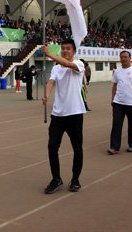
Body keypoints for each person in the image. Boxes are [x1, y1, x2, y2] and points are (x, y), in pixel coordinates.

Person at [41, 40, 85, 194]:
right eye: (63, 48)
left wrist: (49, 54)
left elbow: (67, 64)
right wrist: (46, 95)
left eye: (68, 48)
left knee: (77, 148)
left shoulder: (79, 64)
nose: (65, 51)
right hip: (58, 115)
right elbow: (50, 82)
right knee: (52, 147)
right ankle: (56, 179)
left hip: (75, 113)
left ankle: (75, 179)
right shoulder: (56, 68)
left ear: (74, 51)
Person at [108, 51, 132, 155]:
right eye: (121, 57)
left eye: (125, 57)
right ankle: (114, 147)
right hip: (118, 102)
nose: (123, 59)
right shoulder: (117, 71)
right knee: (116, 124)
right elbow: (114, 86)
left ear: (130, 58)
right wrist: (112, 99)